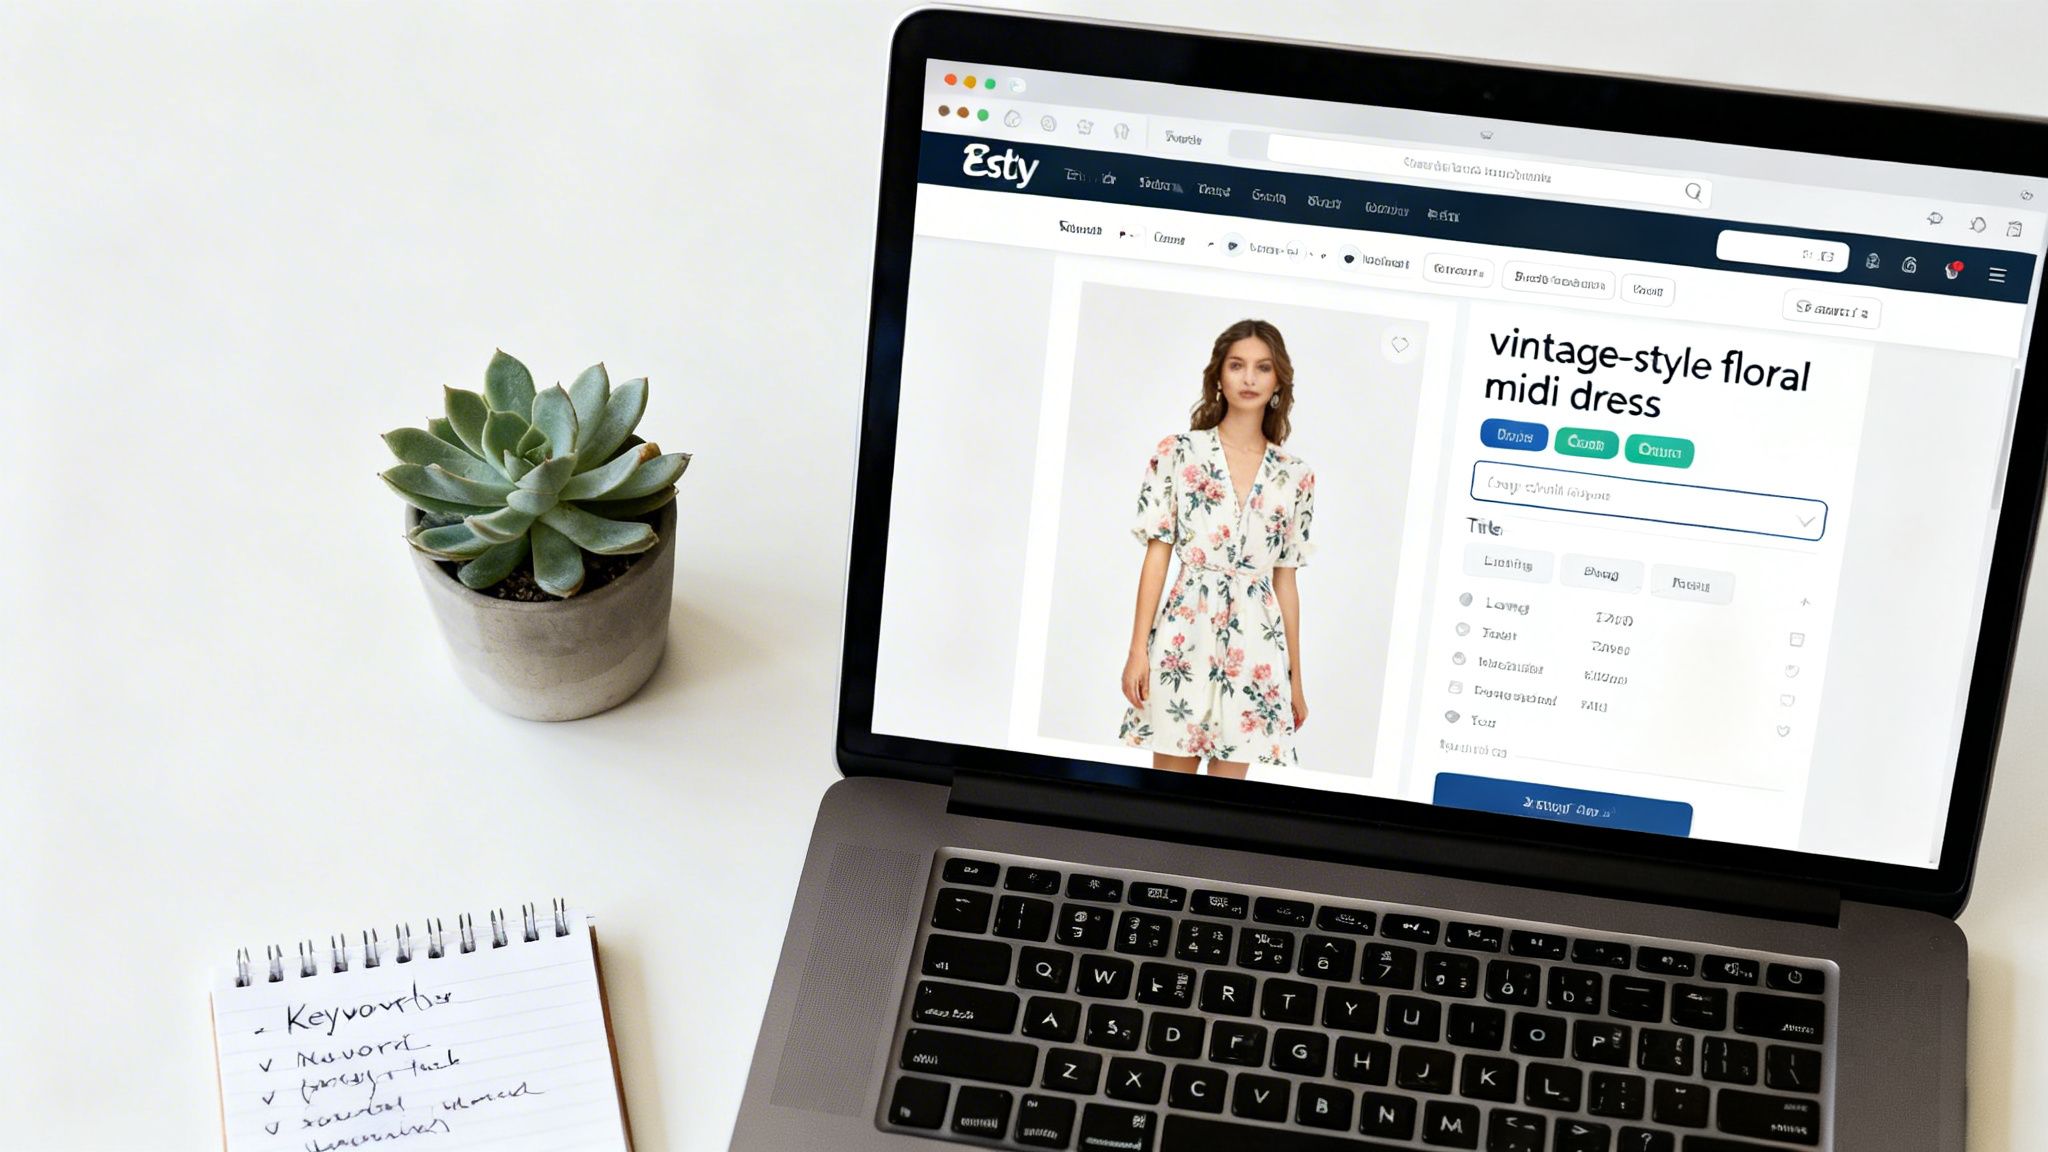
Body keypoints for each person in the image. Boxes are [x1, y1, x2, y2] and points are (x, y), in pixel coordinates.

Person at [1119, 319, 1315, 777]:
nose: (1249, 378)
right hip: (1185, 635)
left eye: (1263, 368)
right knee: (1168, 793)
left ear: (1278, 381)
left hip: (1256, 646)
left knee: (1225, 804)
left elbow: (1286, 582)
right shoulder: (1178, 452)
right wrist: (1137, 650)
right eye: (1237, 365)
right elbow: (1157, 556)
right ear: (1219, 376)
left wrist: (1295, 680)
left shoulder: (1296, 475)